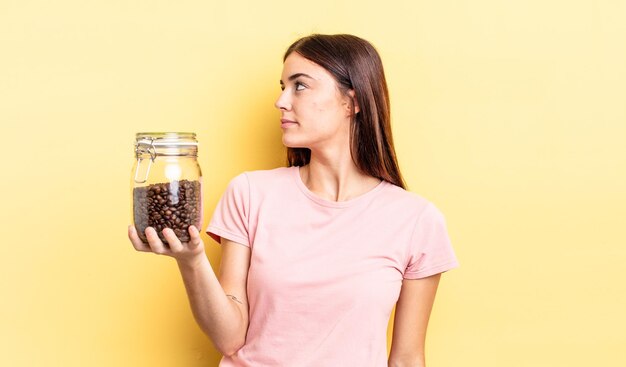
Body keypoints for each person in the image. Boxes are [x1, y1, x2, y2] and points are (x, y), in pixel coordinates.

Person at [128, 33, 458, 367]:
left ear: (352, 102)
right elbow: (230, 338)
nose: (281, 101)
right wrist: (191, 260)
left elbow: (407, 358)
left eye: (299, 86)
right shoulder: (250, 193)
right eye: (282, 86)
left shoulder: (416, 220)